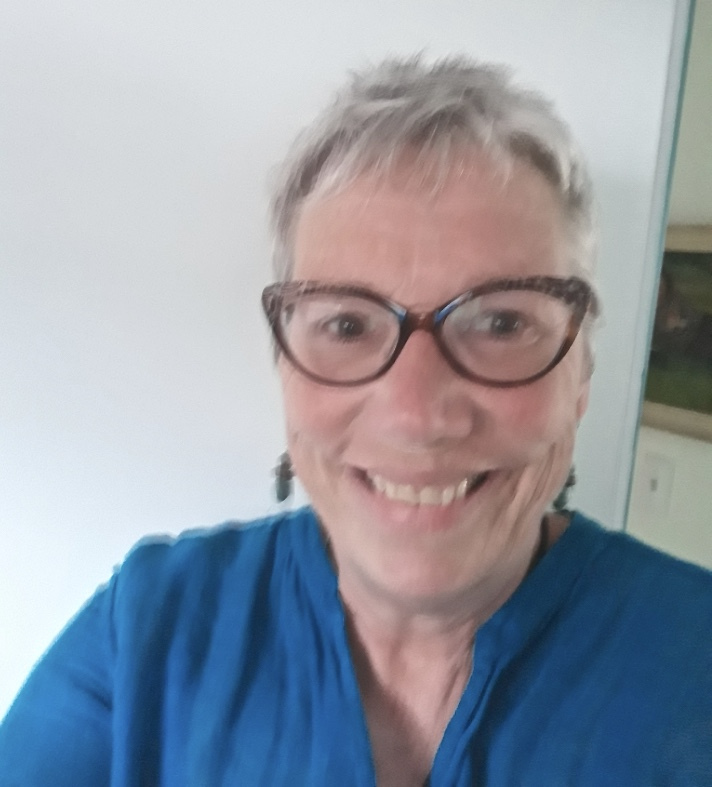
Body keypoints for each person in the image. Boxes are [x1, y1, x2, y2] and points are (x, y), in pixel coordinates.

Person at [1, 55, 711, 787]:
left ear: (582, 372)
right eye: (346, 325)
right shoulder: (150, 632)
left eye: (501, 322)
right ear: (285, 367)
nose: (416, 416)